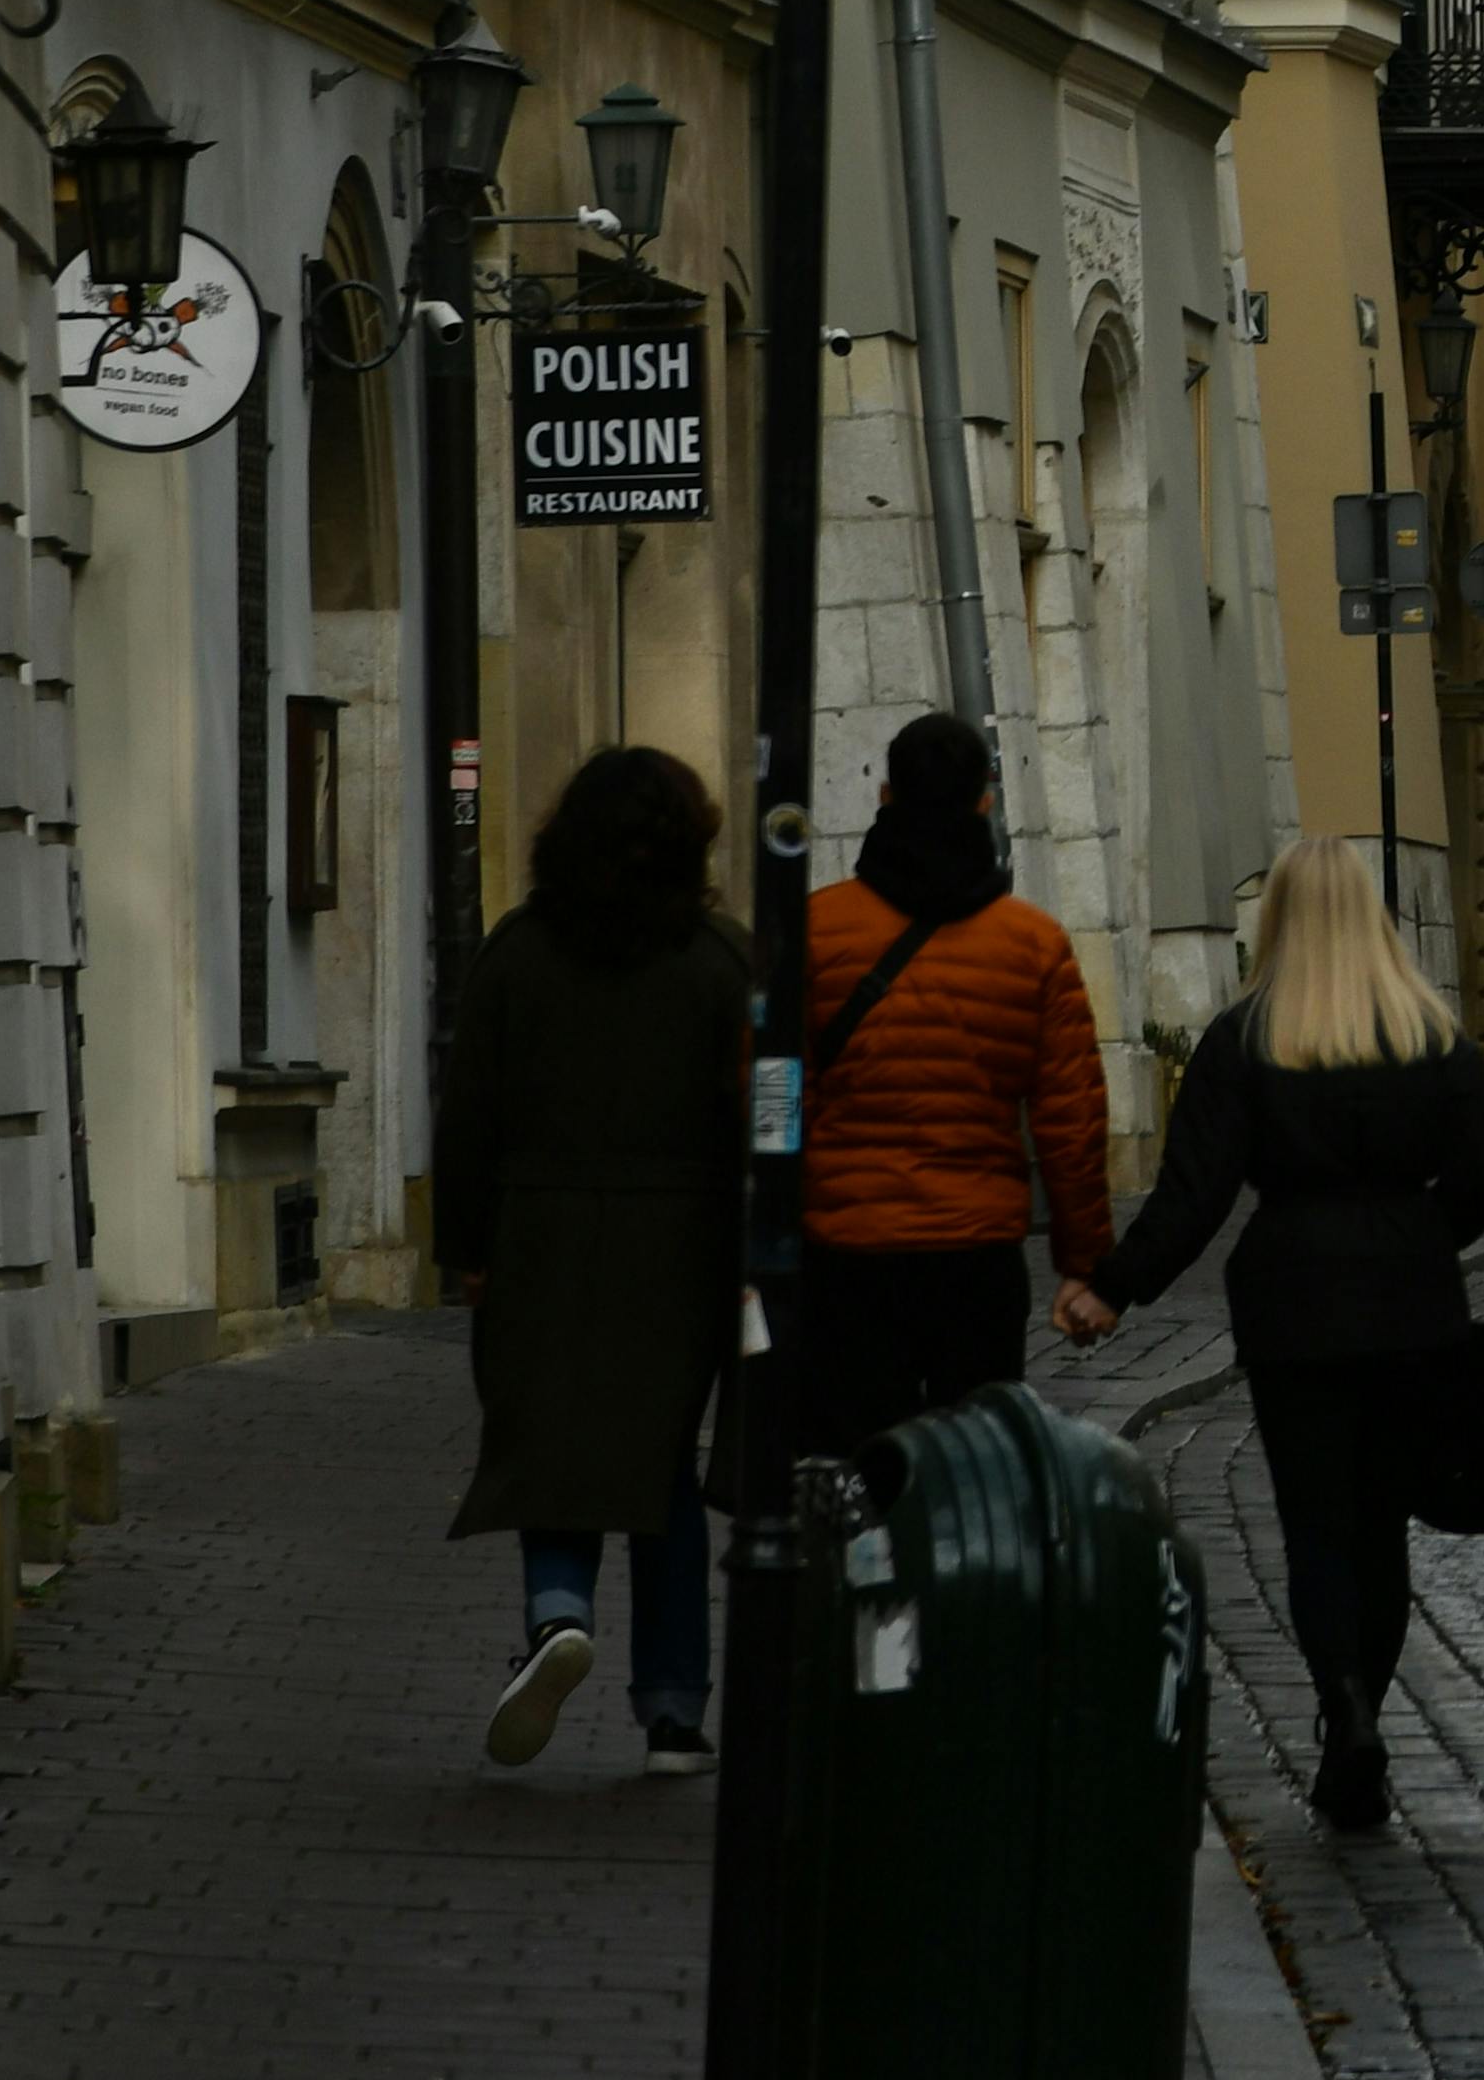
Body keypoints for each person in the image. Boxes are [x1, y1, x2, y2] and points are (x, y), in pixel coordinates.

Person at [1064, 837, 1484, 1836]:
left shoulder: (1245, 1037)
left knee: (1314, 1524)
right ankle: (1365, 1705)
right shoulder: (1432, 1035)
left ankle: (1339, 1695)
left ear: (1278, 920)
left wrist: (1111, 1288)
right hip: (1408, 1305)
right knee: (1382, 1524)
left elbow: (1192, 1194)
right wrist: (1425, 1232)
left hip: (1295, 1305)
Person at [435, 743, 745, 1775]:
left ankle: (558, 1613)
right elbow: (755, 1116)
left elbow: (469, 1111)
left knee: (546, 1441)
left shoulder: (517, 953)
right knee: (660, 1464)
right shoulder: (721, 961)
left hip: (537, 1230)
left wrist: (467, 1246)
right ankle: (672, 1709)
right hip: (680, 1241)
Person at [784, 710, 1112, 1450]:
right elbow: (1071, 1123)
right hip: (976, 1255)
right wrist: (1084, 1266)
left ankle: (868, 1564)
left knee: (854, 1459)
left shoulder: (814, 930)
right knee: (972, 1467)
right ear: (986, 804)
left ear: (883, 797)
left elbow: (770, 1091)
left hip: (847, 1252)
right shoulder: (1033, 944)